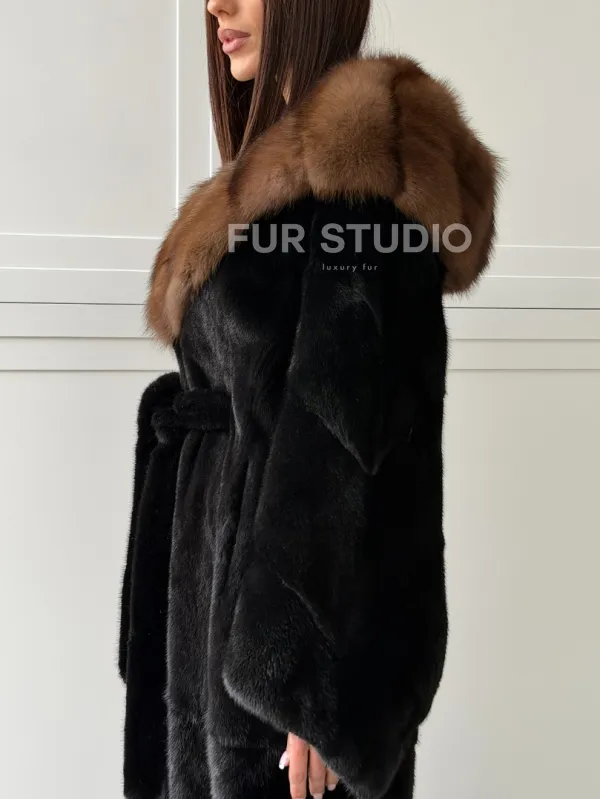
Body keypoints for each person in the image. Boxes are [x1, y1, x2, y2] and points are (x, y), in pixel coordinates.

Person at [118, 1, 500, 798]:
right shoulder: (270, 183)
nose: (217, 6)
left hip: (278, 672)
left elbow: (359, 437)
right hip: (208, 623)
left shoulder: (363, 171)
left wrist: (317, 687)